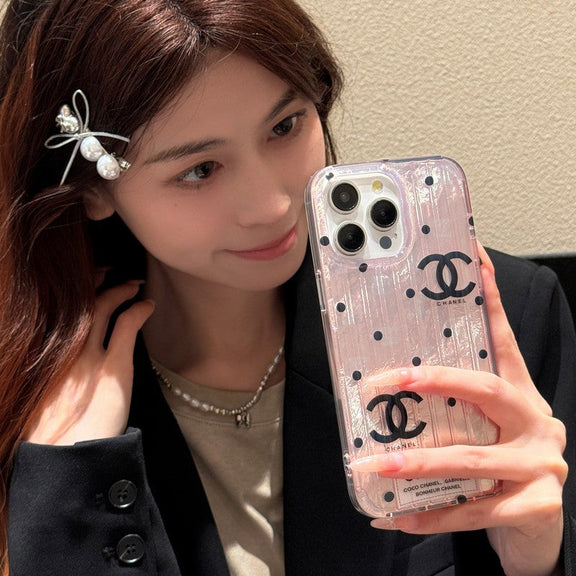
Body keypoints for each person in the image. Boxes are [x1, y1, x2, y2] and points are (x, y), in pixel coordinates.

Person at [0, 0, 574, 575]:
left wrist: (539, 559)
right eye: (199, 170)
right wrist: (70, 495)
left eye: (284, 126)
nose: (274, 205)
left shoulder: (494, 326)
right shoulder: (35, 401)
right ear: (92, 189)